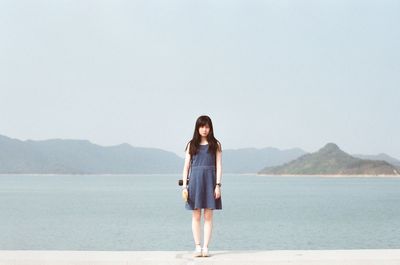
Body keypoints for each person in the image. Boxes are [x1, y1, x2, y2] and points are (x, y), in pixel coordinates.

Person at [182, 115, 222, 257]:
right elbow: (186, 167)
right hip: (195, 182)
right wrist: (185, 187)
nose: (204, 129)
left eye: (207, 126)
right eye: (202, 126)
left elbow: (219, 166)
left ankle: (206, 247)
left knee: (209, 215)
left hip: (210, 181)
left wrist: (218, 185)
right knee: (196, 215)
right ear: (197, 128)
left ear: (210, 128)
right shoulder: (191, 144)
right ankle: (197, 246)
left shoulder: (215, 144)